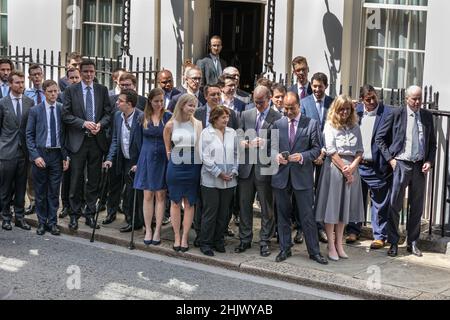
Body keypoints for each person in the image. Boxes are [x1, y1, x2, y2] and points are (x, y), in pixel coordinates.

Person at [376, 85, 437, 257]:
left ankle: (413, 242)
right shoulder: (396, 114)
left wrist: (430, 161)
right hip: (401, 163)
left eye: (419, 98)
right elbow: (380, 138)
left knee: (417, 206)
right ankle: (393, 242)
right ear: (406, 99)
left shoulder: (427, 116)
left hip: (419, 166)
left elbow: (432, 144)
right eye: (414, 98)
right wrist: (390, 159)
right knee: (395, 205)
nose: (417, 102)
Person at [271, 92, 327, 264]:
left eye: (291, 108)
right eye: (285, 108)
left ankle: (314, 252)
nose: (288, 111)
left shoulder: (311, 124)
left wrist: (302, 157)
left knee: (307, 216)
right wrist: (276, 156)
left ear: (299, 106)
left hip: (302, 177)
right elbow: (270, 149)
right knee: (283, 215)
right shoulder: (277, 124)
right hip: (281, 176)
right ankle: (284, 249)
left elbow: (317, 149)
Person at [62, 59, 112, 231]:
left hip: (96, 142)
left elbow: (108, 114)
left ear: (95, 72)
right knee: (76, 180)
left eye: (91, 71)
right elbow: (66, 115)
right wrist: (83, 123)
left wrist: (100, 124)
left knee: (94, 180)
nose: (89, 75)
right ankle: (74, 215)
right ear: (80, 72)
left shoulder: (102, 90)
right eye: (85, 72)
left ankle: (90, 214)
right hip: (78, 141)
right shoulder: (70, 90)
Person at [315, 95, 365, 261]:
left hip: (350, 170)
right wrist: (345, 170)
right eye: (341, 109)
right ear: (335, 109)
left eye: (348, 109)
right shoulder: (330, 125)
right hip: (334, 170)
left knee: (343, 210)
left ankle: (339, 244)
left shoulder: (355, 126)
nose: (344, 112)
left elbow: (360, 151)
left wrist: (351, 168)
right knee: (332, 209)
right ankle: (330, 245)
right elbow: (330, 149)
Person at [235, 85, 281, 257]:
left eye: (261, 102)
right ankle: (245, 239)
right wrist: (247, 144)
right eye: (256, 102)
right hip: (246, 168)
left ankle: (264, 241)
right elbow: (238, 137)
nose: (258, 105)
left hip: (265, 168)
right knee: (244, 205)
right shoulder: (246, 114)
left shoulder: (277, 117)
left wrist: (266, 144)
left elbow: (278, 144)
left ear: (269, 99)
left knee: (266, 207)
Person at [346, 85, 393, 249]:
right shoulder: (355, 112)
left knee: (379, 202)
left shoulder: (386, 112)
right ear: (361, 100)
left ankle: (380, 235)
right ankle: (353, 230)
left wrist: (389, 160)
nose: (372, 101)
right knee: (356, 200)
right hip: (358, 164)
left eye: (374, 97)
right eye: (368, 99)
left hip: (377, 166)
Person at [26, 79, 69, 236]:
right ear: (44, 93)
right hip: (41, 154)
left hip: (57, 154)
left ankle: (53, 222)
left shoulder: (61, 109)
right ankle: (41, 222)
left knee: (54, 191)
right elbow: (29, 135)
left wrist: (66, 157)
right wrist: (35, 156)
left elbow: (65, 135)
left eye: (55, 91)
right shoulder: (35, 111)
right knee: (40, 190)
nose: (53, 94)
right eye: (50, 91)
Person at [163, 93, 203, 252]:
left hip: (193, 164)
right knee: (174, 201)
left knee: (190, 202)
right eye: (190, 105)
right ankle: (176, 236)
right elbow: (167, 148)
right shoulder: (170, 124)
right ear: (181, 105)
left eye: (194, 105)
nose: (193, 108)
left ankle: (185, 237)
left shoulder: (198, 124)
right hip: (176, 165)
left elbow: (200, 147)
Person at [133, 88, 172, 245]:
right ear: (150, 101)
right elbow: (137, 141)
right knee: (148, 195)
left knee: (161, 195)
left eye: (162, 101)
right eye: (156, 101)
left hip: (163, 157)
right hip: (146, 157)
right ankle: (148, 228)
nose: (159, 104)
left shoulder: (168, 116)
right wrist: (138, 161)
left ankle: (157, 231)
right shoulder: (143, 117)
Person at [299, 72, 334, 244]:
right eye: (314, 86)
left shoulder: (332, 103)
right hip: (308, 154)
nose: (317, 89)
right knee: (305, 191)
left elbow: (334, 128)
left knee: (322, 193)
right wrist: (314, 152)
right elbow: (302, 129)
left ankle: (319, 228)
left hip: (326, 155)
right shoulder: (304, 103)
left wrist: (323, 152)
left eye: (320, 86)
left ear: (326, 86)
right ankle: (301, 228)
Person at [198, 106, 238, 256]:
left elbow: (236, 154)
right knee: (210, 212)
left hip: (229, 180)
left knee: (224, 213)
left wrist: (234, 171)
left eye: (227, 117)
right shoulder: (206, 133)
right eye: (223, 117)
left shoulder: (232, 132)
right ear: (215, 118)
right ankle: (205, 242)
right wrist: (219, 173)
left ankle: (218, 240)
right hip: (211, 180)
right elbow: (205, 157)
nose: (226, 120)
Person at [103, 89, 144, 232]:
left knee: (132, 193)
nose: (117, 103)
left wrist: (139, 163)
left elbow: (145, 143)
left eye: (120, 101)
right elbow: (115, 139)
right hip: (122, 159)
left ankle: (135, 221)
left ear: (130, 104)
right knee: (119, 189)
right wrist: (109, 158)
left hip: (136, 161)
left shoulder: (141, 117)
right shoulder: (117, 116)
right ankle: (126, 218)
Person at [0, 71, 35, 231]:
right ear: (9, 84)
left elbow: (31, 128)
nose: (21, 85)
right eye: (17, 83)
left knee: (21, 186)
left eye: (22, 82)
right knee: (6, 187)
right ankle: (6, 217)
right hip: (7, 151)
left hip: (24, 152)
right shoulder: (2, 103)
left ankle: (19, 217)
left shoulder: (29, 102)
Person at [57, 67, 82, 219]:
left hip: (80, 139)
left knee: (79, 176)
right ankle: (65, 205)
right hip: (66, 139)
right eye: (71, 78)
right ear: (67, 80)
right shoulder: (61, 96)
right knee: (66, 176)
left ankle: (79, 205)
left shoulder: (84, 94)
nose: (73, 80)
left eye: (76, 78)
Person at [24, 64, 46, 215]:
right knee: (31, 173)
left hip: (47, 137)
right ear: (29, 77)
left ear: (42, 75)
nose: (37, 77)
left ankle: (45, 202)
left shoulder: (50, 91)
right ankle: (32, 201)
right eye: (34, 75)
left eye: (39, 74)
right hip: (32, 136)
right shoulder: (26, 94)